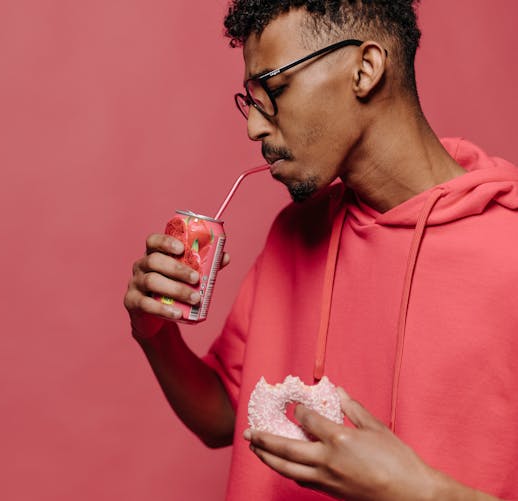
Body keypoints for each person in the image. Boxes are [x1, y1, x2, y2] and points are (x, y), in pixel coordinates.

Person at [124, 1, 518, 499]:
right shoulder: (296, 231)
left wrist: (421, 492)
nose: (254, 128)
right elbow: (223, 416)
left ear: (366, 69)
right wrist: (154, 332)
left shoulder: (509, 253)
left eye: (276, 89)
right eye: (252, 100)